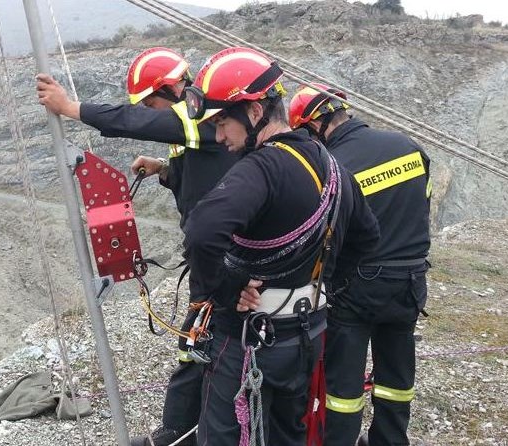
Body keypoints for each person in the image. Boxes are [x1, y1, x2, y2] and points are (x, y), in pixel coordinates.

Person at [36, 47, 240, 446]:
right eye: (149, 104)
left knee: (204, 345)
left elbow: (136, 122)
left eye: (152, 101)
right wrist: (165, 170)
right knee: (198, 344)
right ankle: (186, 431)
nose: (151, 111)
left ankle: (183, 434)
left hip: (225, 259)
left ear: (173, 87)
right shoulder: (194, 127)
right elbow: (206, 176)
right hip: (212, 256)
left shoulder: (205, 114)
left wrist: (71, 107)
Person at [181, 47, 380, 446]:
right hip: (307, 334)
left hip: (248, 340)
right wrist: (322, 285)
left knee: (224, 434)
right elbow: (367, 236)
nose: (218, 137)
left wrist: (225, 289)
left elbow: (202, 232)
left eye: (222, 123)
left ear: (254, 112)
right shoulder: (332, 166)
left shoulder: (261, 168)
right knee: (288, 432)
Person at [289, 84, 432, 446]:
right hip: (411, 281)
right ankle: (390, 439)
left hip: (359, 284)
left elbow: (325, 233)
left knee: (344, 386)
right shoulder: (409, 147)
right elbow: (421, 207)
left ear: (313, 127)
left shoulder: (335, 165)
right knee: (397, 378)